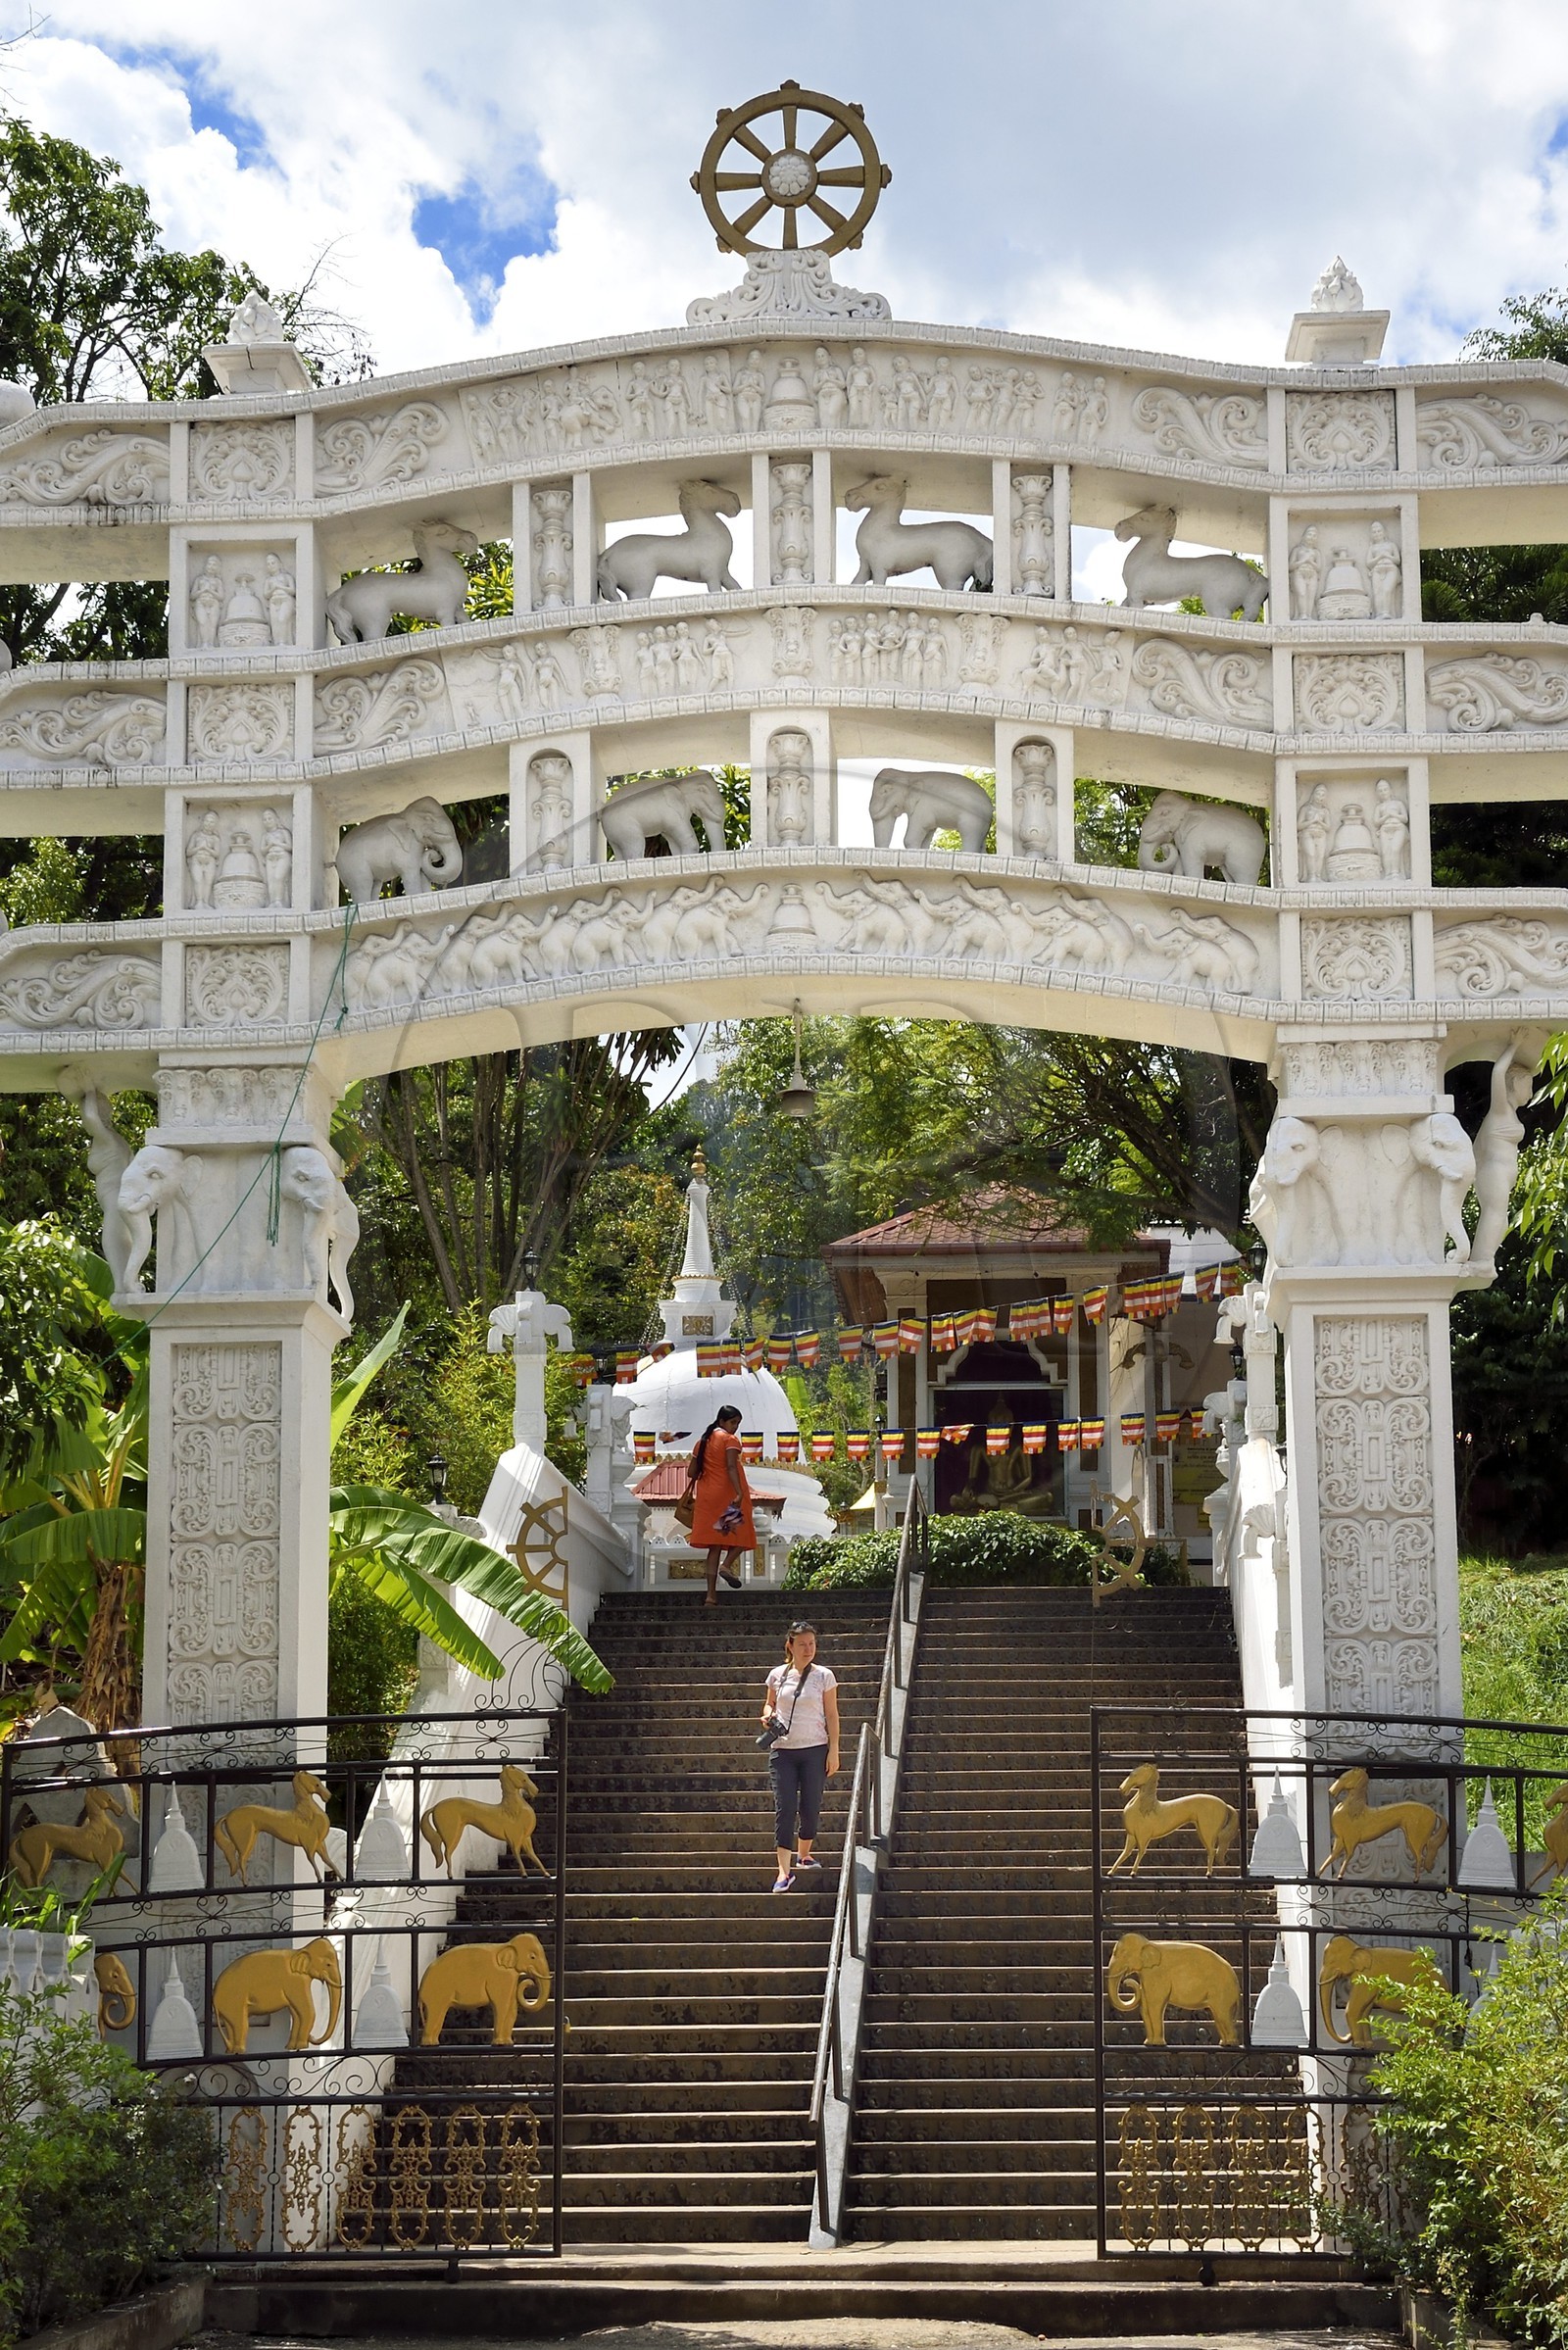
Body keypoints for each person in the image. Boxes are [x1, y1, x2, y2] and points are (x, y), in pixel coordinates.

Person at [760, 1622, 840, 1892]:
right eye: (802, 1644)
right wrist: (768, 1715)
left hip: (815, 1749)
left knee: (810, 1805)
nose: (808, 1649)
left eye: (812, 1644)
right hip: (783, 1751)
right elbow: (769, 1703)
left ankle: (804, 1854)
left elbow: (832, 1714)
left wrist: (834, 1749)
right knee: (785, 1807)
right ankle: (784, 1871)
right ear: (790, 1646)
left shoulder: (824, 1676)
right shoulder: (777, 1675)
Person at [684, 1404, 754, 1605]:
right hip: (728, 1495)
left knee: (714, 1546)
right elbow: (731, 1466)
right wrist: (739, 1492)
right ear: (722, 1421)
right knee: (744, 1534)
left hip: (707, 1497)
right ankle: (726, 1565)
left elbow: (691, 1472)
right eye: (733, 1422)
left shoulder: (701, 1442)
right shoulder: (730, 1440)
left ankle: (710, 1596)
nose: (735, 1427)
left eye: (738, 1423)